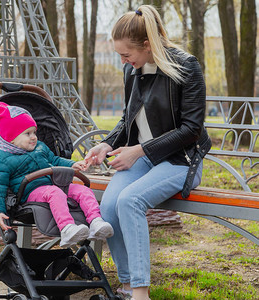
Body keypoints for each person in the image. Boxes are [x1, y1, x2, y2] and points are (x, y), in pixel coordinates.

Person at [84, 5, 211, 300]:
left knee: (130, 201)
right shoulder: (133, 69)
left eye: (126, 55)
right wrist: (107, 144)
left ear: (147, 44)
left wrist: (138, 151)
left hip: (181, 161)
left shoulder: (186, 67)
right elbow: (129, 117)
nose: (123, 61)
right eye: (120, 55)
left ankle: (141, 293)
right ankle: (127, 285)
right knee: (109, 206)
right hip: (143, 160)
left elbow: (191, 130)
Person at [0, 102, 113, 248]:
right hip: (28, 193)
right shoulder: (0, 158)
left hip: (51, 184)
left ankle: (95, 222)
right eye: (27, 134)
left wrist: (71, 164)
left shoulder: (40, 147)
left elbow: (54, 160)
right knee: (54, 192)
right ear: (11, 137)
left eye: (34, 132)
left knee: (82, 190)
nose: (34, 137)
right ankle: (66, 228)